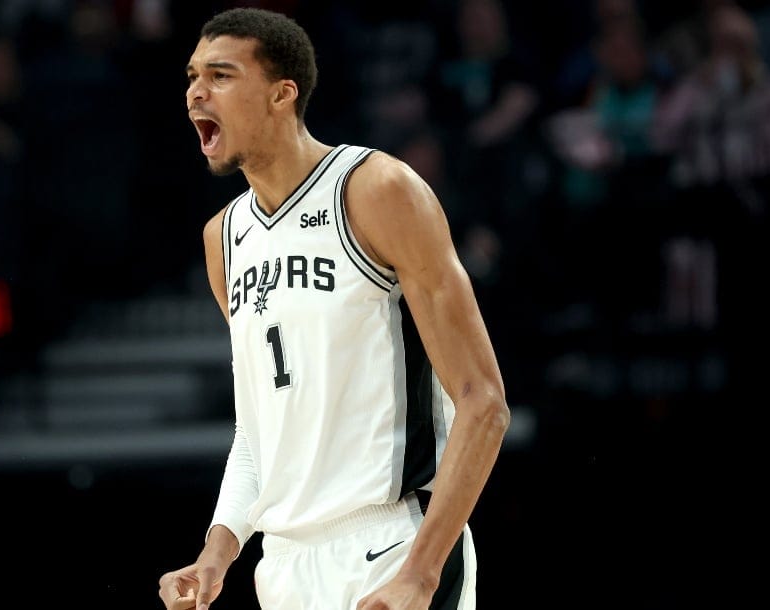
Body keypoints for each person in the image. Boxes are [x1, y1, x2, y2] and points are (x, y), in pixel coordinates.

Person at [158, 8, 511, 610]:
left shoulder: (376, 189)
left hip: (394, 542)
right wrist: (218, 552)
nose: (196, 90)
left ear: (281, 94)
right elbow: (258, 432)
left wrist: (421, 576)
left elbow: (484, 401)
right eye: (192, 76)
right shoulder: (224, 239)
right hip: (285, 566)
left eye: (220, 75)